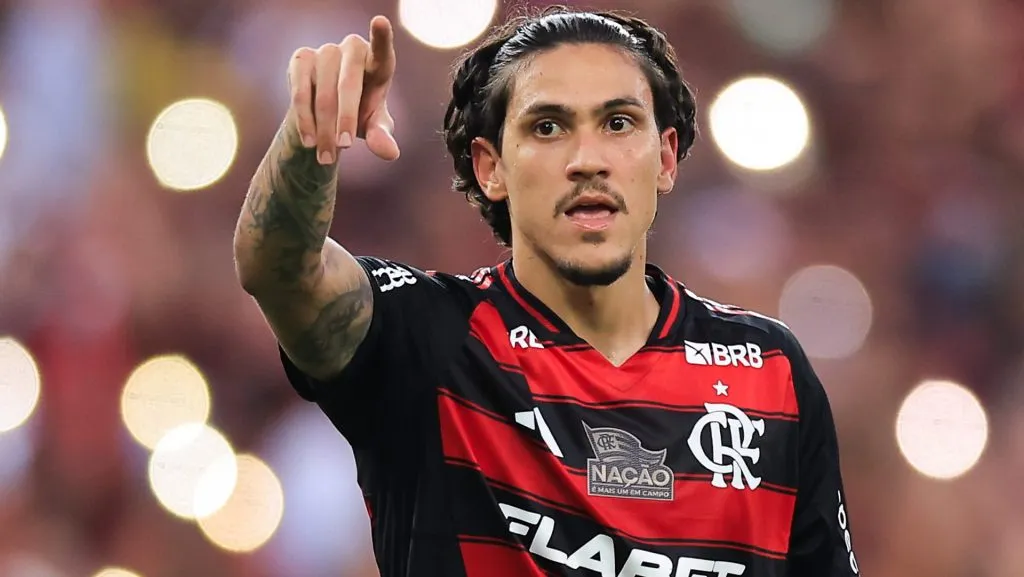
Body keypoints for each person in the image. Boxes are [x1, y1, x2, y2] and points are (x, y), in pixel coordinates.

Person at [233, 6, 861, 577]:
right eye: (549, 127)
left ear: (665, 158)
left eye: (619, 123)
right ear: (491, 168)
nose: (588, 158)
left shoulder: (770, 371)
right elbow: (281, 270)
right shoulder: (429, 341)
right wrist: (310, 139)